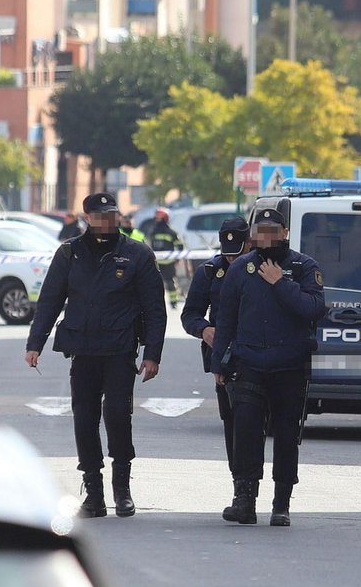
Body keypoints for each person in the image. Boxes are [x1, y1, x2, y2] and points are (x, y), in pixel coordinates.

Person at [26, 192, 166, 519]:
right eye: (101, 216)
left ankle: (122, 489)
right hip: (83, 349)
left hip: (120, 349)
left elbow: (154, 309)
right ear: (87, 218)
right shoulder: (69, 253)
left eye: (112, 215)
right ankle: (93, 492)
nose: (108, 221)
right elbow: (50, 300)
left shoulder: (137, 253)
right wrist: (36, 343)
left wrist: (152, 354)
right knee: (84, 418)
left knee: (118, 415)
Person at [212, 206, 325, 527]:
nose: (266, 237)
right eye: (260, 232)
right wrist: (218, 362)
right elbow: (225, 318)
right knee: (246, 432)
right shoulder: (240, 268)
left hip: (290, 366)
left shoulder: (303, 266)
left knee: (287, 436)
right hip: (249, 364)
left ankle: (281, 504)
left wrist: (280, 283)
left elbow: (315, 309)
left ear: (284, 233)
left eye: (272, 232)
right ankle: (244, 500)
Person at [180, 214, 251, 477]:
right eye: (227, 253)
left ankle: (253, 482)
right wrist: (204, 329)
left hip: (258, 355)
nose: (232, 259)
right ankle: (239, 484)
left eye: (238, 252)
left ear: (250, 243)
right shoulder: (210, 271)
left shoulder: (264, 267)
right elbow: (190, 314)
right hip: (225, 359)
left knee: (255, 424)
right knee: (232, 421)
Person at [148, 208, 182, 307]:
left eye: (158, 218)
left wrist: (177, 258)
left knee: (170, 283)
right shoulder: (153, 231)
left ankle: (173, 302)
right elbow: (150, 245)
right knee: (155, 284)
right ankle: (155, 302)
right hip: (156, 262)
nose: (156, 219)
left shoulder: (171, 232)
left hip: (169, 262)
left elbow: (180, 245)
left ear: (164, 218)